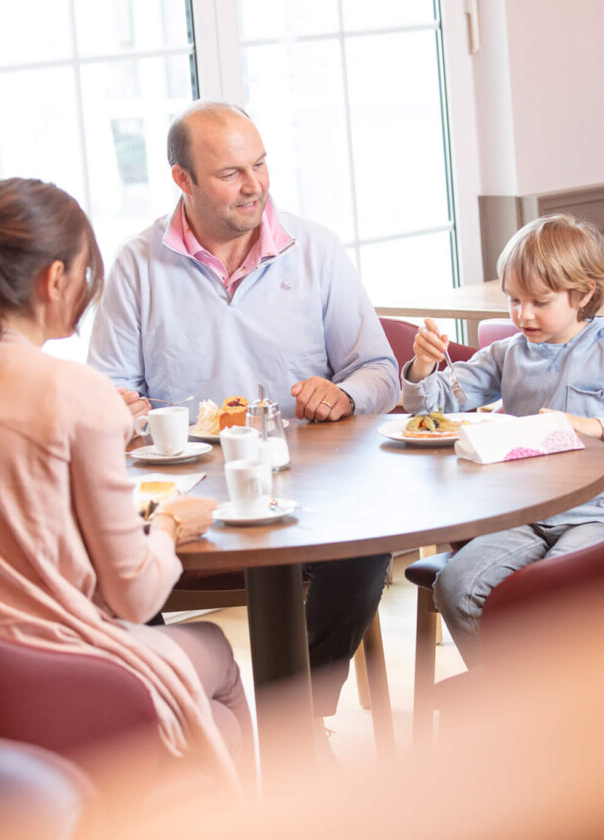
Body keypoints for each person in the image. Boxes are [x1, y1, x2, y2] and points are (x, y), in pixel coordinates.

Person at [0, 178, 249, 784]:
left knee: (216, 725)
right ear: (54, 279)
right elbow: (135, 597)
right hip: (44, 688)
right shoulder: (72, 392)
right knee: (218, 660)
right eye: (82, 277)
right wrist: (170, 526)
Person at [87, 101, 398, 734]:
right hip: (186, 498)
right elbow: (107, 392)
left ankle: (298, 726)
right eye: (230, 173)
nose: (254, 185)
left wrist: (346, 395)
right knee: (104, 555)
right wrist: (116, 408)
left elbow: (379, 370)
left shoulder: (317, 249)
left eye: (259, 165)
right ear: (184, 180)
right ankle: (184, 725)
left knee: (368, 548)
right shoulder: (137, 265)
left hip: (307, 492)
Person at [402, 213, 604, 663]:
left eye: (539, 301)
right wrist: (421, 365)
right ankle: (518, 703)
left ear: (583, 294)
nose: (522, 314)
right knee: (456, 585)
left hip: (601, 513)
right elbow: (432, 407)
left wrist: (593, 426)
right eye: (513, 299)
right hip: (524, 513)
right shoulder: (508, 352)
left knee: (554, 595)